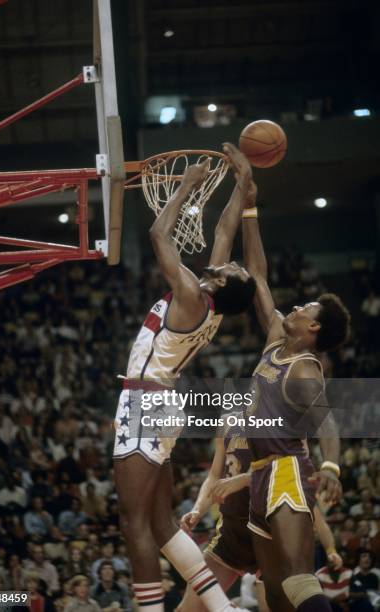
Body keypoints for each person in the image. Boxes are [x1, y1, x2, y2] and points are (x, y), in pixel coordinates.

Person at [114, 158, 256, 612]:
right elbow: (223, 233)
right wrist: (243, 182)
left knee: (134, 522)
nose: (229, 262)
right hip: (163, 404)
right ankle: (222, 608)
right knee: (161, 524)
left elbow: (158, 236)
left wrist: (186, 188)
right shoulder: (208, 300)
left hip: (146, 402)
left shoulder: (194, 294)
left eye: (232, 268)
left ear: (221, 283)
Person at [223, 142, 351, 612]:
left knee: (299, 580)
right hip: (259, 475)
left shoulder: (302, 368)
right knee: (274, 593)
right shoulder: (278, 341)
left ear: (313, 328)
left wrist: (333, 467)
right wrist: (250, 200)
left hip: (286, 472)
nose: (294, 307)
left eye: (305, 308)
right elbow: (257, 276)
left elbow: (327, 421)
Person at [177, 423, 342, 612]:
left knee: (278, 603)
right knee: (189, 609)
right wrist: (198, 509)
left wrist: (245, 479)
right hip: (233, 531)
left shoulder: (281, 412)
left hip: (270, 528)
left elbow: (296, 465)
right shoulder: (227, 422)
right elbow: (214, 475)